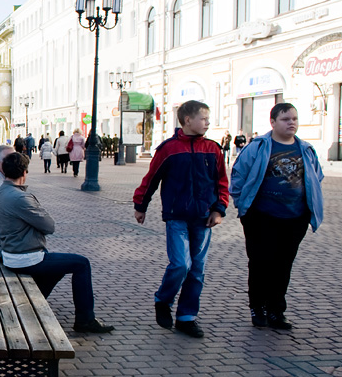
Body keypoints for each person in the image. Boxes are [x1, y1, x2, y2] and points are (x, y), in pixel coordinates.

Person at [133, 100, 228, 338]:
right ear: (188, 120)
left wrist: (219, 209)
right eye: (203, 118)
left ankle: (187, 317)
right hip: (177, 217)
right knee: (180, 264)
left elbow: (222, 183)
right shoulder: (169, 149)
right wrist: (140, 205)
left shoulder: (213, 149)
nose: (207, 123)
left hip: (204, 218)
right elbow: (151, 178)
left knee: (197, 270)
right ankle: (163, 300)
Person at [0, 152, 114, 333]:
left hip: (11, 253)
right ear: (24, 172)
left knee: (59, 265)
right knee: (81, 264)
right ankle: (85, 319)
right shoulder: (20, 198)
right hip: (25, 257)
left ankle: (32, 302)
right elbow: (49, 226)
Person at [229, 103, 324, 330]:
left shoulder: (306, 149)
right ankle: (257, 307)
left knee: (283, 264)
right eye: (285, 119)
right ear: (272, 122)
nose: (291, 122)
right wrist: (244, 207)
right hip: (261, 217)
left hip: (294, 218)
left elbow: (316, 176)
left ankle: (276, 311)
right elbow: (238, 176)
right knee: (261, 262)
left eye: (294, 118)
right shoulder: (259, 147)